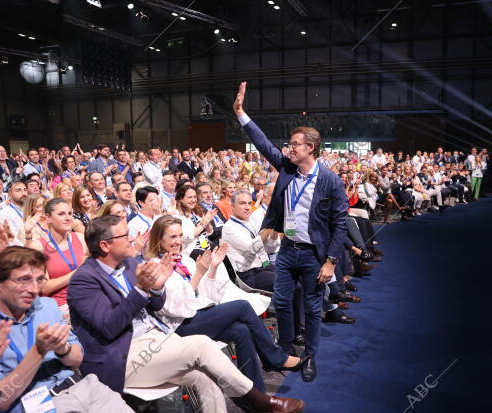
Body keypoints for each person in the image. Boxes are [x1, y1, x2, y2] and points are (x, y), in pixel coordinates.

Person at [66, 215, 305, 413]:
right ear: (105, 245)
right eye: (124, 236)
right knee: (201, 345)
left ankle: (257, 400)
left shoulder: (129, 264)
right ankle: (261, 402)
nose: (132, 239)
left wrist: (157, 288)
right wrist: (142, 290)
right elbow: (109, 326)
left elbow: (158, 305)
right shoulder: (84, 281)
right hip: (124, 357)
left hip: (157, 338)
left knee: (205, 378)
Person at [234, 82, 348, 382]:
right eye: (289, 144)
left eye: (295, 144)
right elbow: (263, 144)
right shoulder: (286, 168)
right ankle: (284, 350)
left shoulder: (331, 181)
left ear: (310, 147)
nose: (289, 148)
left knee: (311, 308)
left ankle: (309, 355)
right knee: (282, 302)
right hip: (287, 251)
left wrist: (331, 261)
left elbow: (339, 225)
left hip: (314, 255)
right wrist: (241, 113)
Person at [146, 216, 302, 393]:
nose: (179, 241)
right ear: (159, 239)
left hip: (198, 315)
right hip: (179, 326)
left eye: (181, 235)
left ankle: (254, 395)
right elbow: (177, 309)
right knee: (242, 306)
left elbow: (206, 297)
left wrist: (212, 268)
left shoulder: (185, 260)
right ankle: (276, 358)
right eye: (173, 237)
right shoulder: (154, 266)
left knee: (241, 331)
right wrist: (198, 274)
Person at [0, 246, 134, 413]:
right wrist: (38, 352)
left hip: (84, 387)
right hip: (38, 406)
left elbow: (77, 359)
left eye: (40, 280)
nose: (35, 290)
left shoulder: (46, 306)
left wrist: (63, 349)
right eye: (24, 280)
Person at [28, 198, 88, 322]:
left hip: (87, 298)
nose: (68, 218)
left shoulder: (81, 238)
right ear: (48, 218)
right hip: (61, 308)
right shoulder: (38, 246)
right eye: (61, 214)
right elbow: (44, 287)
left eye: (70, 213)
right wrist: (78, 271)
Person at [222, 190, 276, 291]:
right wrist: (269, 223)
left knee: (296, 276)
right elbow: (253, 248)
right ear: (232, 206)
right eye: (242, 203)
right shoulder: (229, 227)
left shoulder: (249, 222)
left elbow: (269, 244)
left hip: (264, 266)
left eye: (249, 203)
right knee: (289, 285)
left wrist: (274, 228)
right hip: (248, 275)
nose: (247, 208)